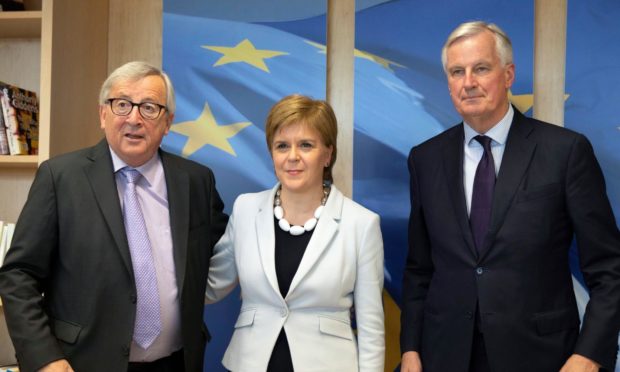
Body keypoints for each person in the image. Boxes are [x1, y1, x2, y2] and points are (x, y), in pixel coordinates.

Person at [400, 21, 620, 372]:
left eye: (481, 68)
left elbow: (610, 270)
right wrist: (410, 348)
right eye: (457, 72)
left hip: (542, 357)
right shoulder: (425, 160)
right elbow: (419, 269)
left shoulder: (565, 152)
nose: (468, 82)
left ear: (508, 74)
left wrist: (589, 355)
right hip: (445, 355)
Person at [0, 61, 228, 372]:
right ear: (103, 114)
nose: (134, 118)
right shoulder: (60, 177)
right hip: (82, 363)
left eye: (149, 107)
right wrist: (44, 357)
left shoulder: (197, 181)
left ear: (168, 122)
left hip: (177, 362)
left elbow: (224, 248)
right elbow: (18, 275)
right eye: (122, 104)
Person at [205, 94, 385, 371]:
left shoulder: (361, 224)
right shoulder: (245, 209)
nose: (292, 157)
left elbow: (371, 327)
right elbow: (210, 286)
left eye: (306, 145)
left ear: (327, 154)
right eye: (282, 146)